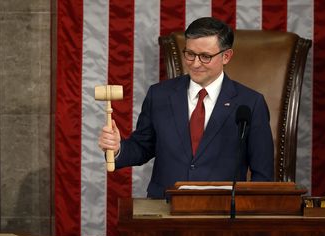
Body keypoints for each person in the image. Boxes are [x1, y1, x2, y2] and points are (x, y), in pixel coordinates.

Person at [98, 17, 274, 199]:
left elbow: (263, 174)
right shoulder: (159, 95)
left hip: (223, 215)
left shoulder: (251, 103)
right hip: (165, 208)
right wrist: (117, 148)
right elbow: (143, 146)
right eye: (190, 54)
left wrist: (246, 214)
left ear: (226, 56)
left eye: (205, 57)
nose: (195, 64)